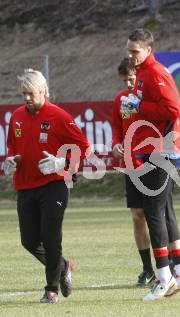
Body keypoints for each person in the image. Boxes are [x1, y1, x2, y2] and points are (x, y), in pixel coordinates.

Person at [3, 69, 91, 303]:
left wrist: (62, 162)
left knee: (51, 237)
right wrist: (11, 159)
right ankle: (63, 266)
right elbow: (12, 146)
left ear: (43, 91)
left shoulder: (59, 116)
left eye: (31, 93)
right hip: (25, 184)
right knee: (29, 241)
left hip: (55, 184)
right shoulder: (17, 116)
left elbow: (84, 149)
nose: (27, 98)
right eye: (23, 94)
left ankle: (51, 290)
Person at [122, 28, 180, 301]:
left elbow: (173, 109)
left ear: (148, 50)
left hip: (160, 150)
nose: (130, 55)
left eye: (135, 51)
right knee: (164, 211)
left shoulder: (155, 73)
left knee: (154, 212)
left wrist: (140, 108)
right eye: (128, 50)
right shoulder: (141, 72)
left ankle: (164, 278)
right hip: (152, 148)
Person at [112, 58, 156, 288]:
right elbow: (117, 129)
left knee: (155, 215)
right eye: (124, 80)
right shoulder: (120, 100)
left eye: (131, 78)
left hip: (152, 160)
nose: (129, 84)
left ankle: (168, 265)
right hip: (131, 163)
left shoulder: (149, 99)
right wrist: (116, 144)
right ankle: (147, 269)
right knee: (137, 214)